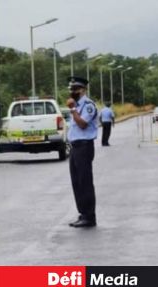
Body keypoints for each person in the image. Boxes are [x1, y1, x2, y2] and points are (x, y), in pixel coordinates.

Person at [66, 76, 99, 228]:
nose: (73, 91)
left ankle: (89, 216)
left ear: (83, 90)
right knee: (77, 182)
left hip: (84, 147)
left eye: (76, 89)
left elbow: (83, 125)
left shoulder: (88, 105)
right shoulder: (77, 105)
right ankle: (82, 214)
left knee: (85, 182)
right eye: (71, 89)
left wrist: (73, 109)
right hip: (75, 147)